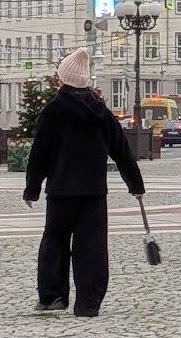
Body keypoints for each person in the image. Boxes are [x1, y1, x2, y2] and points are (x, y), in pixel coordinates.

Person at [24, 48, 145, 318]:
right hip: (93, 191)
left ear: (63, 78)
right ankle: (88, 303)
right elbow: (121, 149)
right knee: (92, 246)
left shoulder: (53, 111)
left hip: (62, 189)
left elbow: (40, 153)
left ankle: (53, 297)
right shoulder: (101, 112)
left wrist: (32, 187)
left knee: (55, 241)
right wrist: (135, 183)